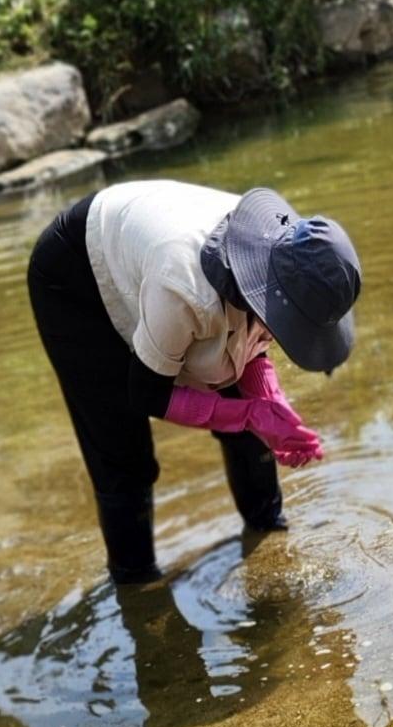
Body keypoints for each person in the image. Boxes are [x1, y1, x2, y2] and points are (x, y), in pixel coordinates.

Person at [26, 179, 362, 586]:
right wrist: (249, 414)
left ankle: (268, 527)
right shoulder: (185, 289)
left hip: (155, 255)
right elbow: (148, 394)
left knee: (244, 411)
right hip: (76, 279)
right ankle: (138, 588)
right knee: (123, 455)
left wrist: (269, 403)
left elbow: (253, 344)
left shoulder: (283, 256)